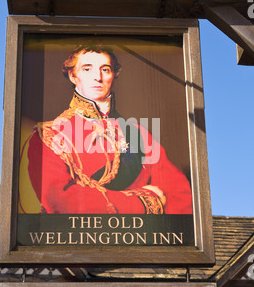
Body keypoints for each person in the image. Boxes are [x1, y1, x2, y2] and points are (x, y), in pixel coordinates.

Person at [25, 42, 193, 215]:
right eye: (87, 69)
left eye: (105, 69)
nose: (98, 77)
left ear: (114, 75)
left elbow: (179, 197)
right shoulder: (48, 136)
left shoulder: (138, 135)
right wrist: (145, 201)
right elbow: (61, 202)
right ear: (73, 76)